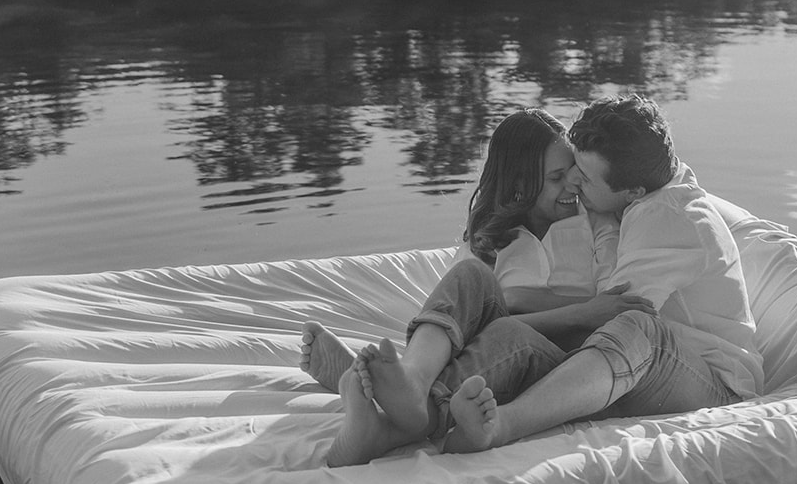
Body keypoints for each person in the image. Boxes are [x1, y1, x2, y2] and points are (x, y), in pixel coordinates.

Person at [324, 94, 764, 465]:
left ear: (630, 192)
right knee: (473, 276)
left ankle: (493, 424)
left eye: (584, 177)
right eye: (570, 169)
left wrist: (507, 313)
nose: (576, 184)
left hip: (711, 385)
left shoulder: (665, 221)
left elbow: (611, 320)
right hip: (626, 365)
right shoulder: (631, 198)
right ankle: (409, 395)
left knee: (631, 325)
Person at [299, 108, 652, 462]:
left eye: (573, 172)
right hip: (490, 353)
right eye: (557, 177)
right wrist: (553, 307)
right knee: (471, 277)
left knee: (510, 334)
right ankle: (412, 384)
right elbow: (455, 323)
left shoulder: (597, 223)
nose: (573, 185)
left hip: (561, 367)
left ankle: (393, 410)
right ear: (519, 185)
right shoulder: (490, 239)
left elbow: (607, 307)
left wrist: (526, 303)